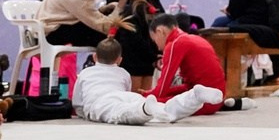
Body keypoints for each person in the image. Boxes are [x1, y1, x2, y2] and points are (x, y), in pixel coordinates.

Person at [73, 38, 222, 124]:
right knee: (162, 110)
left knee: (121, 113)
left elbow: (77, 103)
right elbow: (126, 91)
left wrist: (84, 113)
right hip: (124, 95)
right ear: (119, 60)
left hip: (100, 102)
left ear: (94, 58)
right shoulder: (123, 73)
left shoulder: (85, 73)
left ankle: (144, 110)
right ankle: (193, 97)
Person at [145, 14, 227, 115]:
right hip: (217, 98)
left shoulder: (175, 44)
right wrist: (147, 93)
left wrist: (144, 97)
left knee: (149, 104)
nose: (157, 47)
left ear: (160, 31)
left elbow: (162, 89)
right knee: (160, 95)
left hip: (204, 103)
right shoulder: (195, 38)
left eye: (155, 41)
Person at [114, 0, 162, 90]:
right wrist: (153, 56)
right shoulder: (152, 9)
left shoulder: (133, 9)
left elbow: (131, 37)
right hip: (148, 63)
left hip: (133, 63)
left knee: (133, 100)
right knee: (144, 100)